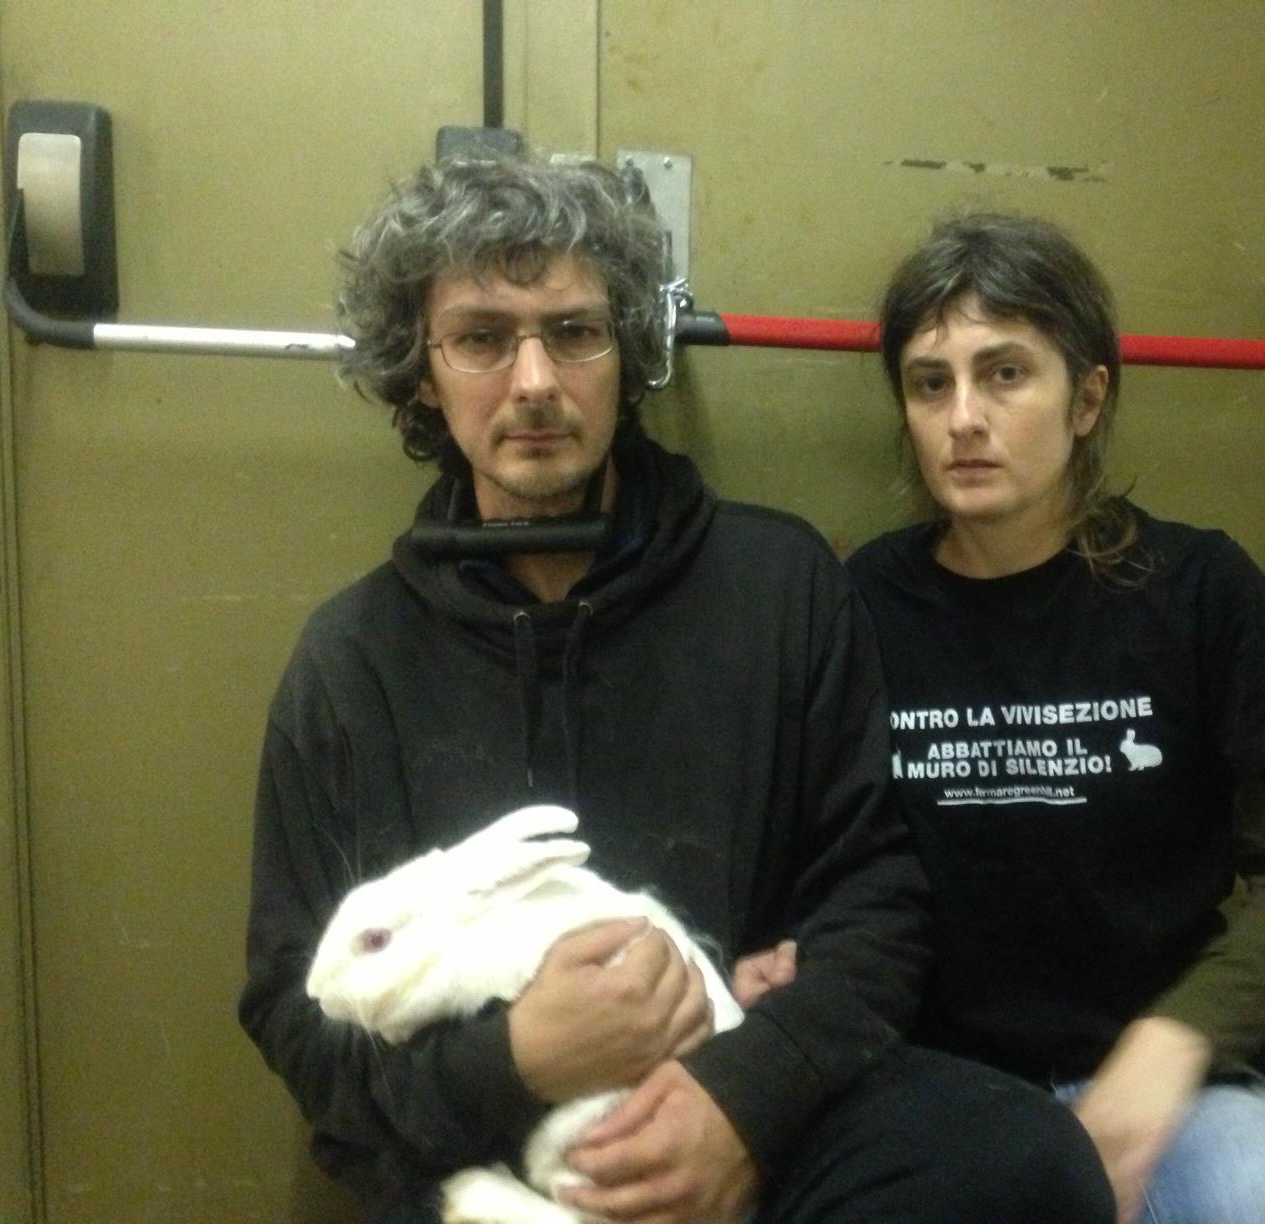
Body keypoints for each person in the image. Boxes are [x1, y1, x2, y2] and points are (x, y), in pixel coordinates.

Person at [237, 158, 1114, 1224]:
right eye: (481, 338)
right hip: (488, 1154)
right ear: (423, 372)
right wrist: (516, 1062)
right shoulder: (350, 663)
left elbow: (877, 905)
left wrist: (741, 1103)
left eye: (574, 332)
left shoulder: (780, 585)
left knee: (1030, 1162)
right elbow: (294, 1015)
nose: (534, 382)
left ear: (629, 351)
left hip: (755, 1121)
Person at [842, 213, 1265, 1223]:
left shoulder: (1199, 590)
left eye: (1005, 374)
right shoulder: (861, 602)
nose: (963, 418)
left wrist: (1173, 1044)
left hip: (1178, 1084)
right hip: (937, 1082)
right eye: (930, 383)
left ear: (1087, 399)